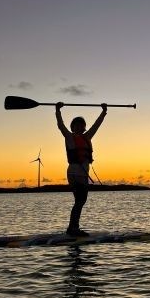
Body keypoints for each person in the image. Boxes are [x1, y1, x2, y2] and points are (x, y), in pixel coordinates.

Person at [56, 101, 107, 236]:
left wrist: (103, 112)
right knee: (80, 200)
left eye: (81, 125)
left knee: (80, 201)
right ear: (73, 127)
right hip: (74, 172)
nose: (79, 127)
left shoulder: (87, 137)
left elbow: (97, 125)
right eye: (76, 125)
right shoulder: (69, 137)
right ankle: (73, 229)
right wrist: (58, 111)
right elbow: (60, 126)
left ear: (84, 127)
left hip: (82, 174)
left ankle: (73, 228)